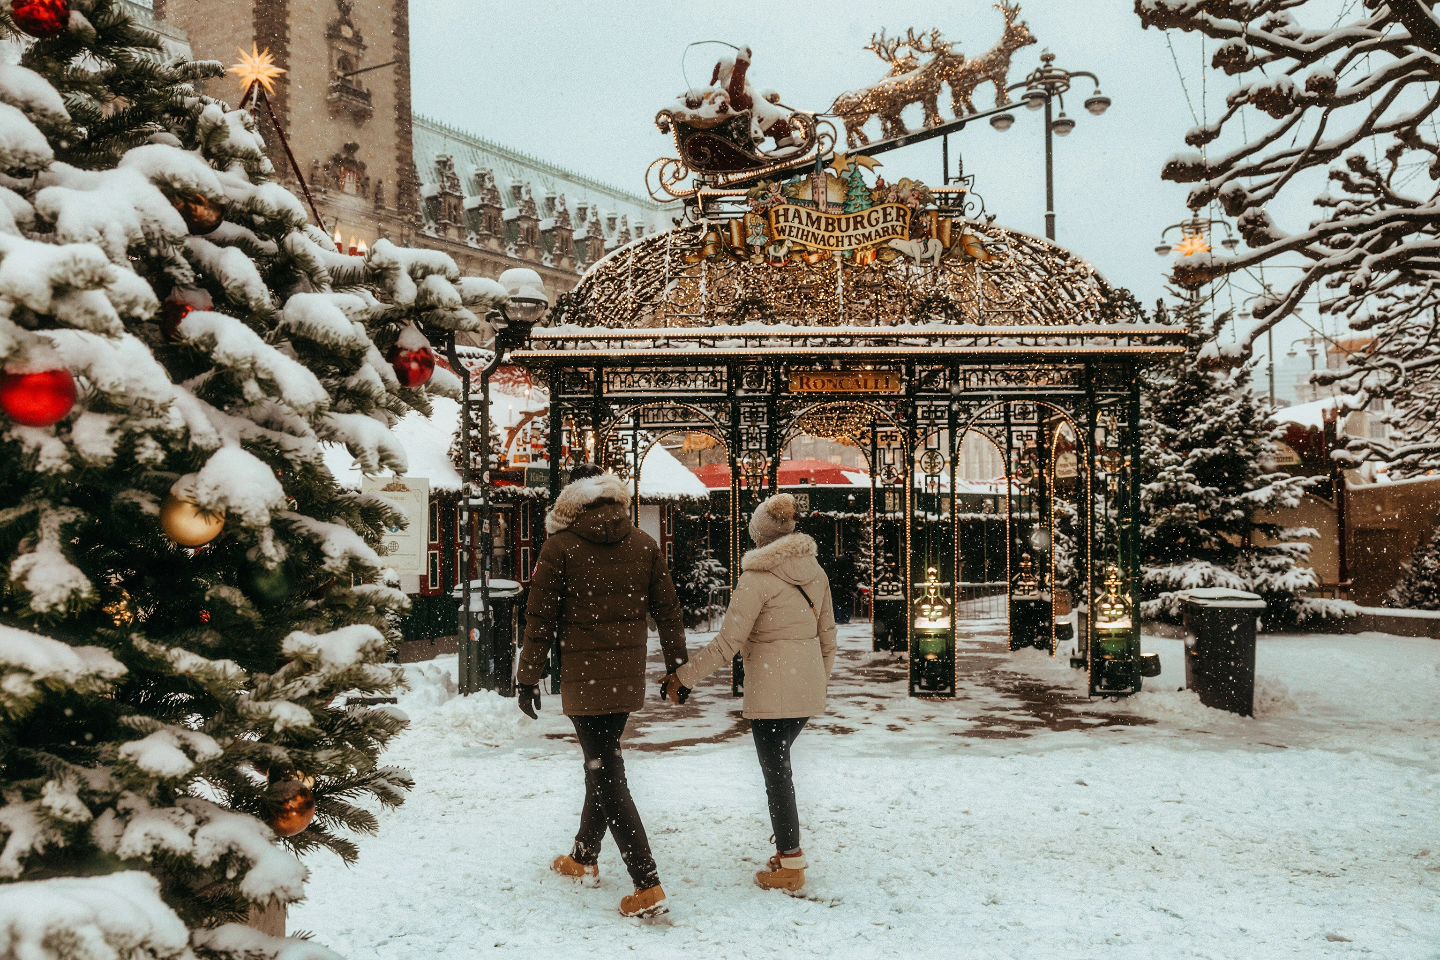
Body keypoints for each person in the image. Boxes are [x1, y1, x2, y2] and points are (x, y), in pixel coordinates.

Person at [514, 464, 688, 919]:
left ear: (570, 506)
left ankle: (647, 884)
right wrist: (677, 666)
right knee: (603, 759)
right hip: (624, 674)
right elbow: (668, 609)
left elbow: (540, 621)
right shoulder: (644, 545)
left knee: (607, 772)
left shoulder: (560, 548)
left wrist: (527, 677)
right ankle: (583, 857)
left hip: (584, 676)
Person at [662, 493, 836, 893]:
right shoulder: (817, 572)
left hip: (772, 691)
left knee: (777, 773)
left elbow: (728, 644)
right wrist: (816, 682)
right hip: (804, 685)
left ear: (760, 535)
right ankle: (787, 852)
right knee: (780, 767)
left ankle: (791, 862)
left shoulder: (756, 578)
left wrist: (683, 678)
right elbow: (829, 636)